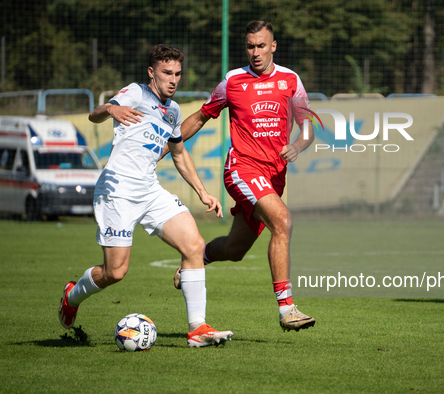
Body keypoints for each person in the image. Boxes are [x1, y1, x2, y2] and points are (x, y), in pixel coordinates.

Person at [58, 44, 233, 347]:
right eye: (167, 72)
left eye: (178, 73)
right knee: (115, 272)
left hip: (149, 190)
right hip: (118, 192)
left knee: (194, 245)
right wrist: (111, 108)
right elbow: (94, 115)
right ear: (152, 72)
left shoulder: (174, 111)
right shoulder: (136, 93)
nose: (173, 79)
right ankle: (72, 295)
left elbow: (178, 154)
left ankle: (197, 329)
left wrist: (203, 192)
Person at [166, 21, 315, 331]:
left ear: (273, 46)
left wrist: (298, 146)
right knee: (283, 221)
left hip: (273, 177)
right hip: (242, 169)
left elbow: (308, 129)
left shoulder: (291, 80)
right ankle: (287, 309)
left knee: (235, 250)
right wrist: (165, 147)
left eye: (261, 45)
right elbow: (201, 116)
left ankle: (199, 257)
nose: (255, 52)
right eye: (250, 46)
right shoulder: (232, 81)